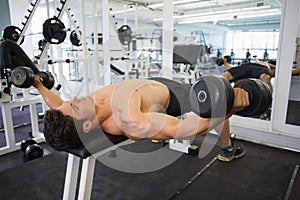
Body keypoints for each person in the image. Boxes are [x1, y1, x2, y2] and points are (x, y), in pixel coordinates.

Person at [33, 76, 250, 162]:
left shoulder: (78, 110)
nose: (77, 98)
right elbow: (184, 130)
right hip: (172, 95)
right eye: (76, 105)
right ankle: (227, 148)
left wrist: (38, 84)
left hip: (150, 83)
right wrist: (226, 107)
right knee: (213, 99)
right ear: (87, 126)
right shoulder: (130, 121)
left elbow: (57, 102)